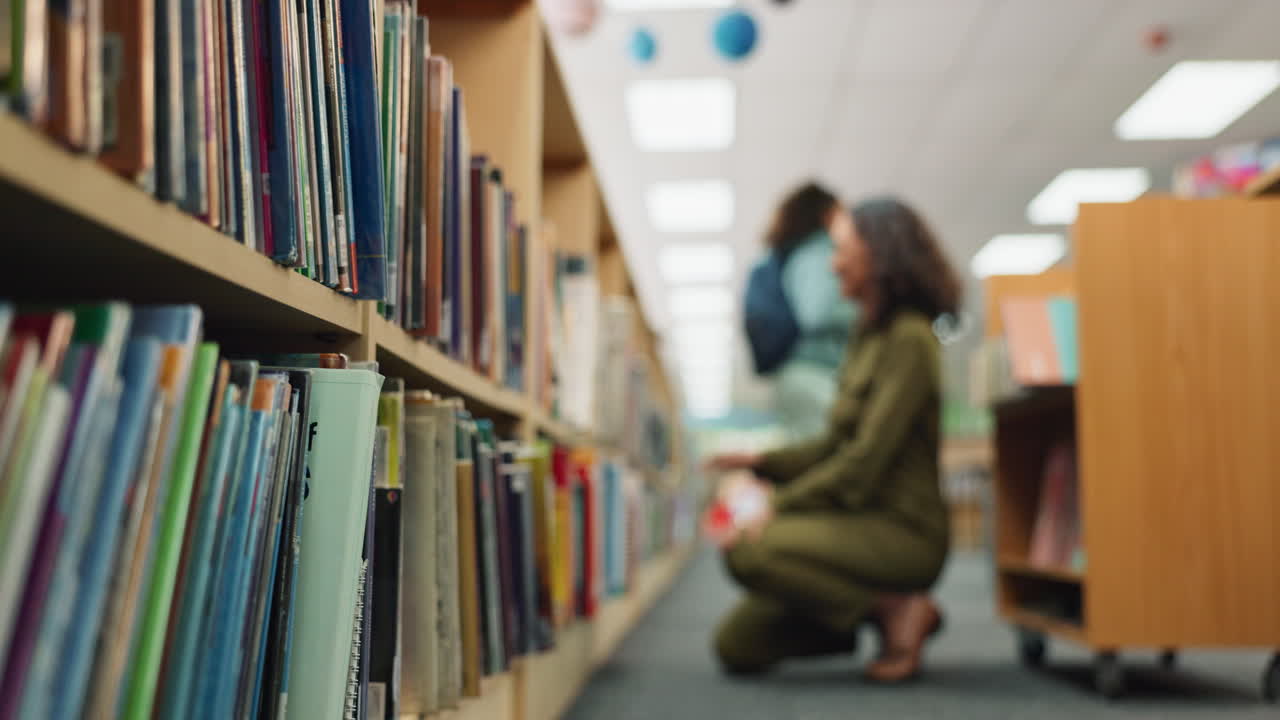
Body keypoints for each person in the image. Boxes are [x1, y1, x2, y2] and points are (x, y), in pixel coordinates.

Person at [705, 195, 961, 684]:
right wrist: (760, 462)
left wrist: (776, 507)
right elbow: (831, 446)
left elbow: (862, 464)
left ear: (880, 254)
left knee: (749, 550)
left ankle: (895, 609)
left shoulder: (910, 340)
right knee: (737, 645)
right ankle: (867, 613)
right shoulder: (867, 337)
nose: (832, 261)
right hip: (853, 523)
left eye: (843, 248)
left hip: (902, 532)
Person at [756, 182, 858, 441]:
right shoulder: (816, 252)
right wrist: (864, 309)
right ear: (827, 215)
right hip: (815, 373)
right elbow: (817, 313)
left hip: (802, 374)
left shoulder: (797, 254)